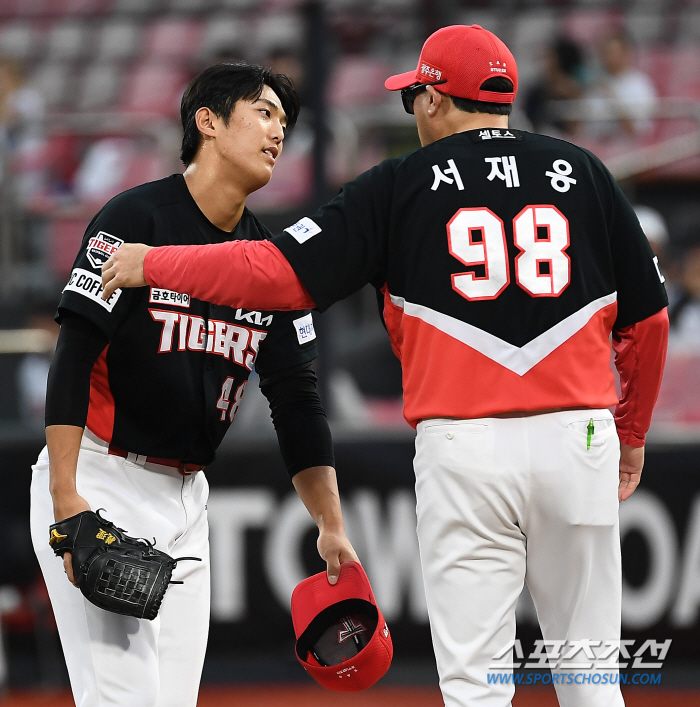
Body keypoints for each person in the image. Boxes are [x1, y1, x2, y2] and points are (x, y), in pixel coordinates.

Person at [102, 26, 669, 707]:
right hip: (578, 435)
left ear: (433, 99)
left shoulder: (400, 183)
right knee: (591, 678)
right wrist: (631, 434)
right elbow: (648, 322)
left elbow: (276, 274)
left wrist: (154, 261)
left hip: (465, 446)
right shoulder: (583, 171)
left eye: (413, 97)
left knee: (477, 685)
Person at [30, 62, 357, 707]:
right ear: (208, 122)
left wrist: (330, 523)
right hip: (102, 477)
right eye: (263, 113)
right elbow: (73, 356)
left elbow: (297, 399)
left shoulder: (270, 264)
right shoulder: (133, 219)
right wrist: (68, 499)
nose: (278, 133)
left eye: (284, 122)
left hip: (188, 501)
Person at [586, 32, 657, 139]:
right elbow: (587, 125)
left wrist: (613, 101)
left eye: (612, 52)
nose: (607, 57)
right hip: (597, 143)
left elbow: (638, 130)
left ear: (625, 53)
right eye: (604, 52)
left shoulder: (639, 84)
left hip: (629, 144)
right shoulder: (596, 83)